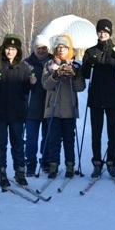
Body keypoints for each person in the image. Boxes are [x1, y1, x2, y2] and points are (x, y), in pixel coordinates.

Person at [81, 18, 115, 178]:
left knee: (112, 132)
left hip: (113, 97)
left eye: (105, 32)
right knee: (96, 133)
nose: (102, 34)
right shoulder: (90, 51)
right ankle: (97, 162)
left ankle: (111, 162)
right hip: (96, 97)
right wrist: (89, 64)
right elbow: (85, 74)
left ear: (110, 33)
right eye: (100, 31)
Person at [0, 34, 37, 188]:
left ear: (18, 51)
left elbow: (26, 91)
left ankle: (20, 172)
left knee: (18, 143)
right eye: (7, 49)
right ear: (3, 50)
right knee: (0, 143)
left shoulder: (24, 67)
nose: (10, 52)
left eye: (13, 49)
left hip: (17, 112)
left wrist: (31, 83)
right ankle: (1, 173)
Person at [41, 34, 86, 179]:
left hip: (69, 109)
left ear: (69, 49)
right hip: (53, 109)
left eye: (64, 47)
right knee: (53, 139)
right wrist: (55, 75)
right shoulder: (49, 64)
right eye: (59, 47)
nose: (61, 50)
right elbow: (45, 84)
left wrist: (74, 76)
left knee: (68, 138)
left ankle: (70, 165)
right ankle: (53, 165)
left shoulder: (75, 64)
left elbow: (80, 87)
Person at [23, 34, 52, 177]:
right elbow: (21, 84)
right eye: (38, 48)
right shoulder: (27, 63)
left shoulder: (53, 61)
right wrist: (28, 82)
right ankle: (30, 163)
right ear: (34, 48)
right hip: (32, 107)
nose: (41, 51)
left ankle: (45, 161)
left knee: (47, 136)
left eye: (44, 48)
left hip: (48, 105)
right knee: (31, 138)